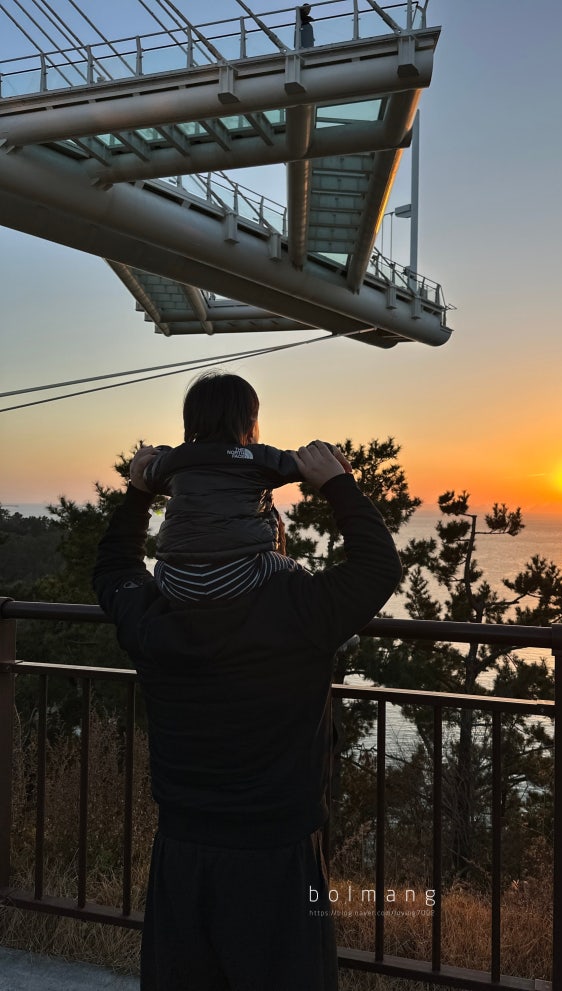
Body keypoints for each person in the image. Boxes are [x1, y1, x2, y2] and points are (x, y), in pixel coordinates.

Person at [93, 407, 402, 990]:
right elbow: (378, 566)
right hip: (279, 850)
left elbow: (113, 567)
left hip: (183, 847)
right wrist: (337, 484)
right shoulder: (298, 605)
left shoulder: (150, 610)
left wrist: (137, 493)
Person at [139, 371, 307, 604]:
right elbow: (304, 462)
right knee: (297, 576)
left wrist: (154, 455)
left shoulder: (174, 460)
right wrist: (329, 454)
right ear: (250, 422)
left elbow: (148, 473)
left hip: (176, 580)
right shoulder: (257, 458)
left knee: (163, 567)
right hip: (240, 574)